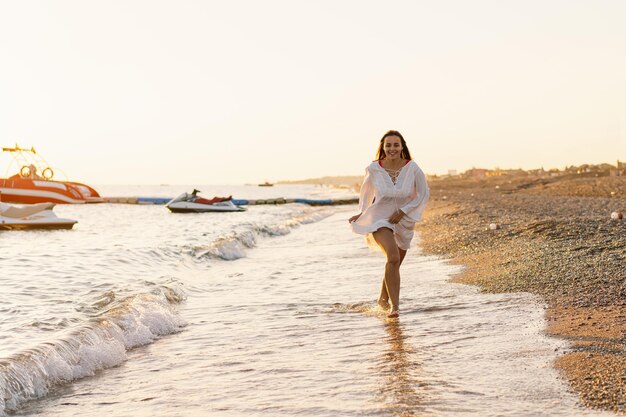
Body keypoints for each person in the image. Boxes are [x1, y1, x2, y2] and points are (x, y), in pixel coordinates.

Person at [348, 130, 430, 318]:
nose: (392, 148)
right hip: (379, 218)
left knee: (395, 264)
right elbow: (366, 192)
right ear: (383, 147)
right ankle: (395, 307)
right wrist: (362, 212)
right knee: (392, 258)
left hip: (404, 220)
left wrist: (403, 212)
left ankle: (382, 299)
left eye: (395, 145)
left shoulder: (413, 168)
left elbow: (423, 194)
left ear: (402, 147)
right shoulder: (374, 168)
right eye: (388, 145)